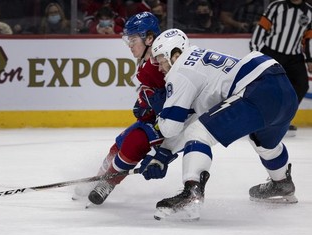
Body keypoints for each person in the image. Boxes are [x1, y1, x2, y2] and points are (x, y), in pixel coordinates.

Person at [138, 28, 298, 221]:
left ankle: (192, 193)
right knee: (263, 143)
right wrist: (164, 154)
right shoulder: (198, 60)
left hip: (257, 90)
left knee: (197, 134)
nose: (160, 67)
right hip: (283, 88)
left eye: (161, 60)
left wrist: (162, 113)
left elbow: (171, 127)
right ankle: (281, 183)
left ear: (175, 54)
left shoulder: (180, 71)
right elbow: (200, 117)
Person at [72, 12, 166, 205]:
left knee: (133, 142)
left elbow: (173, 96)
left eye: (133, 39)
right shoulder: (146, 60)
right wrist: (143, 103)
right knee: (119, 143)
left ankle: (107, 183)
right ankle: (99, 179)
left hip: (168, 121)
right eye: (128, 40)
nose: (130, 44)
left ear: (149, 38)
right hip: (154, 119)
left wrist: (151, 106)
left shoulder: (160, 61)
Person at [250, 0, 312, 136]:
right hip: (272, 52)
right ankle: (260, 119)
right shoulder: (276, 6)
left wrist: (309, 59)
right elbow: (261, 28)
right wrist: (255, 52)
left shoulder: (309, 11)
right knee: (266, 87)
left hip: (294, 56)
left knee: (301, 86)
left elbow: (308, 38)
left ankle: (283, 119)